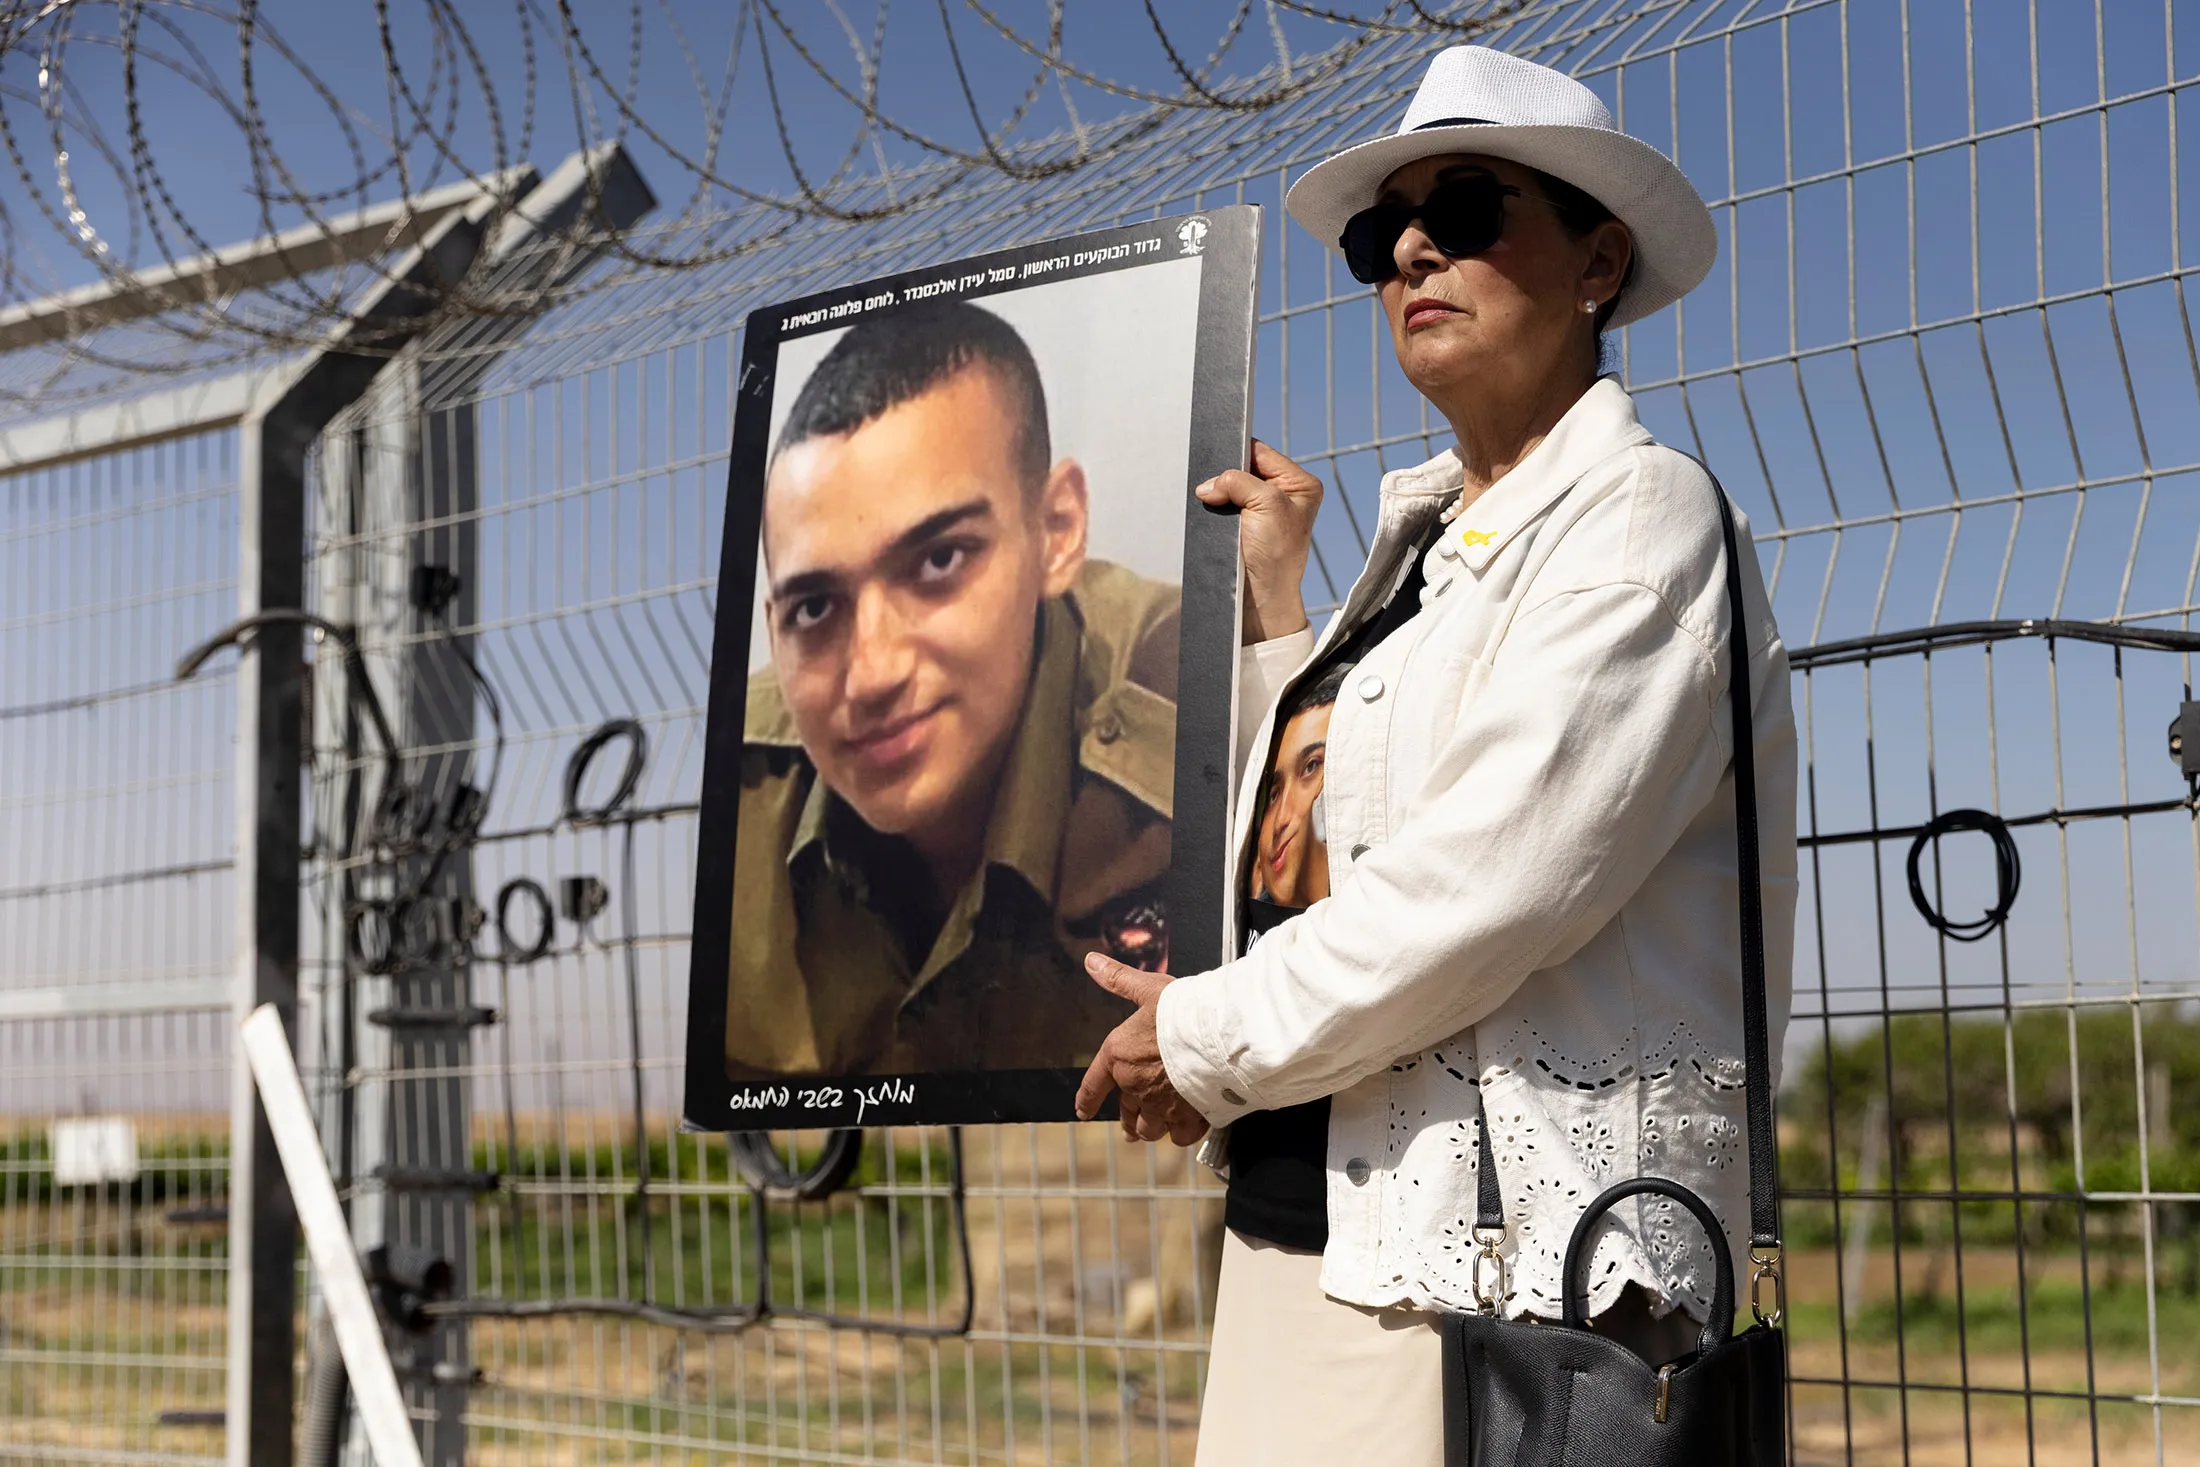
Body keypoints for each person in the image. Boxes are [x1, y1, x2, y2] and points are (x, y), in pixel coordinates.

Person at [1072, 45, 1799, 1467]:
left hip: (1496, 1290)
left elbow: (1481, 892)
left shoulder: (1635, 525)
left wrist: (1199, 1035)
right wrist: (1287, 615)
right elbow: (1332, 849)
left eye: (1467, 208)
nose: (1409, 246)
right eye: (1379, 234)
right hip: (1319, 1230)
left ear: (1599, 263)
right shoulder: (1422, 543)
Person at [727, 299, 1182, 1080]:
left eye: (938, 561)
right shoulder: (741, 794)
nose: (870, 674)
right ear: (773, 628)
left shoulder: (1192, 710)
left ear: (1058, 531)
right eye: (814, 607)